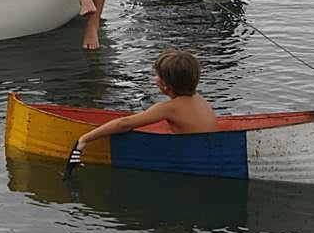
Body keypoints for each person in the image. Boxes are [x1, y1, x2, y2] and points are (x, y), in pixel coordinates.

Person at [74, 49, 218, 154]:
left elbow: (124, 124)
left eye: (157, 76)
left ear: (165, 86)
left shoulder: (169, 108)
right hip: (210, 148)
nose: (155, 78)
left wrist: (85, 138)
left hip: (194, 154)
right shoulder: (199, 99)